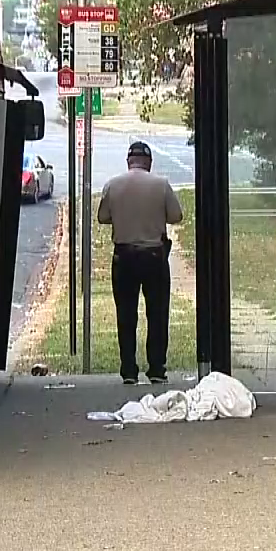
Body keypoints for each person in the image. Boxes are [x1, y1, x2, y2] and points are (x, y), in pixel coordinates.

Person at [97, 142, 184, 384]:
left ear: (128, 162)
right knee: (157, 312)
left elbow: (103, 217)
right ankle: (156, 367)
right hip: (154, 255)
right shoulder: (161, 185)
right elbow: (176, 216)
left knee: (126, 313)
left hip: (124, 256)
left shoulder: (113, 185)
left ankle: (128, 369)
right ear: (149, 162)